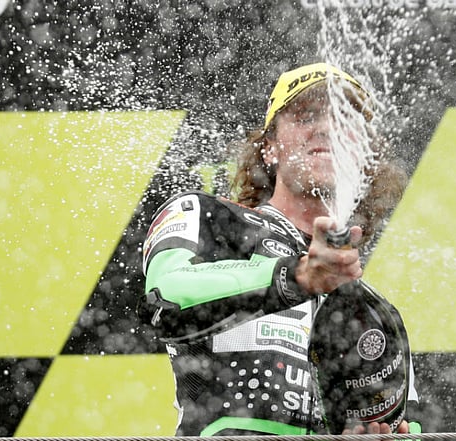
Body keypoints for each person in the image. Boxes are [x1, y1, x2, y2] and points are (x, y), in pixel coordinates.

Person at [141, 62, 416, 436]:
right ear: (269, 149)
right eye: (305, 116)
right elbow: (165, 298)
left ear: (365, 159)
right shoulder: (211, 217)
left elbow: (408, 425)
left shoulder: (373, 312)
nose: (325, 128)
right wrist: (296, 277)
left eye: (345, 121)